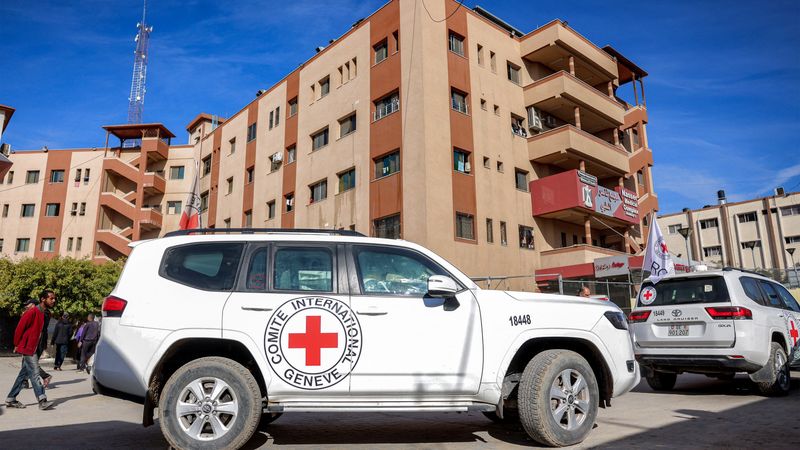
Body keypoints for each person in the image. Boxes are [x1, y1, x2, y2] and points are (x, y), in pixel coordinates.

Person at [5, 290, 56, 410]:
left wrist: (42, 346)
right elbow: (19, 328)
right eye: (51, 298)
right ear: (43, 299)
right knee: (34, 373)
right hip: (28, 347)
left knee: (24, 374)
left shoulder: (47, 313)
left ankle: (11, 398)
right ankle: (42, 400)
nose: (53, 300)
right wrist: (16, 344)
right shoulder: (32, 312)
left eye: (54, 298)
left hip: (37, 347)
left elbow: (42, 332)